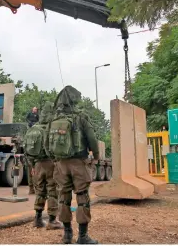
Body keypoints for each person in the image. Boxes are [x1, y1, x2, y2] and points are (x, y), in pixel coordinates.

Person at [49, 86, 100, 244]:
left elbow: (46, 143)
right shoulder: (81, 116)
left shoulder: (54, 119)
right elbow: (92, 139)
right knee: (82, 196)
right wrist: (96, 156)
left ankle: (67, 234)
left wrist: (55, 159)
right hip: (79, 162)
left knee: (63, 197)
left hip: (61, 164)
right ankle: (83, 237)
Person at [24, 102, 63, 230]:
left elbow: (27, 150)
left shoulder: (33, 129)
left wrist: (32, 166)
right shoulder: (52, 128)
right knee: (53, 191)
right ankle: (52, 220)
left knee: (40, 191)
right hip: (51, 163)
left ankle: (38, 219)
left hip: (37, 164)